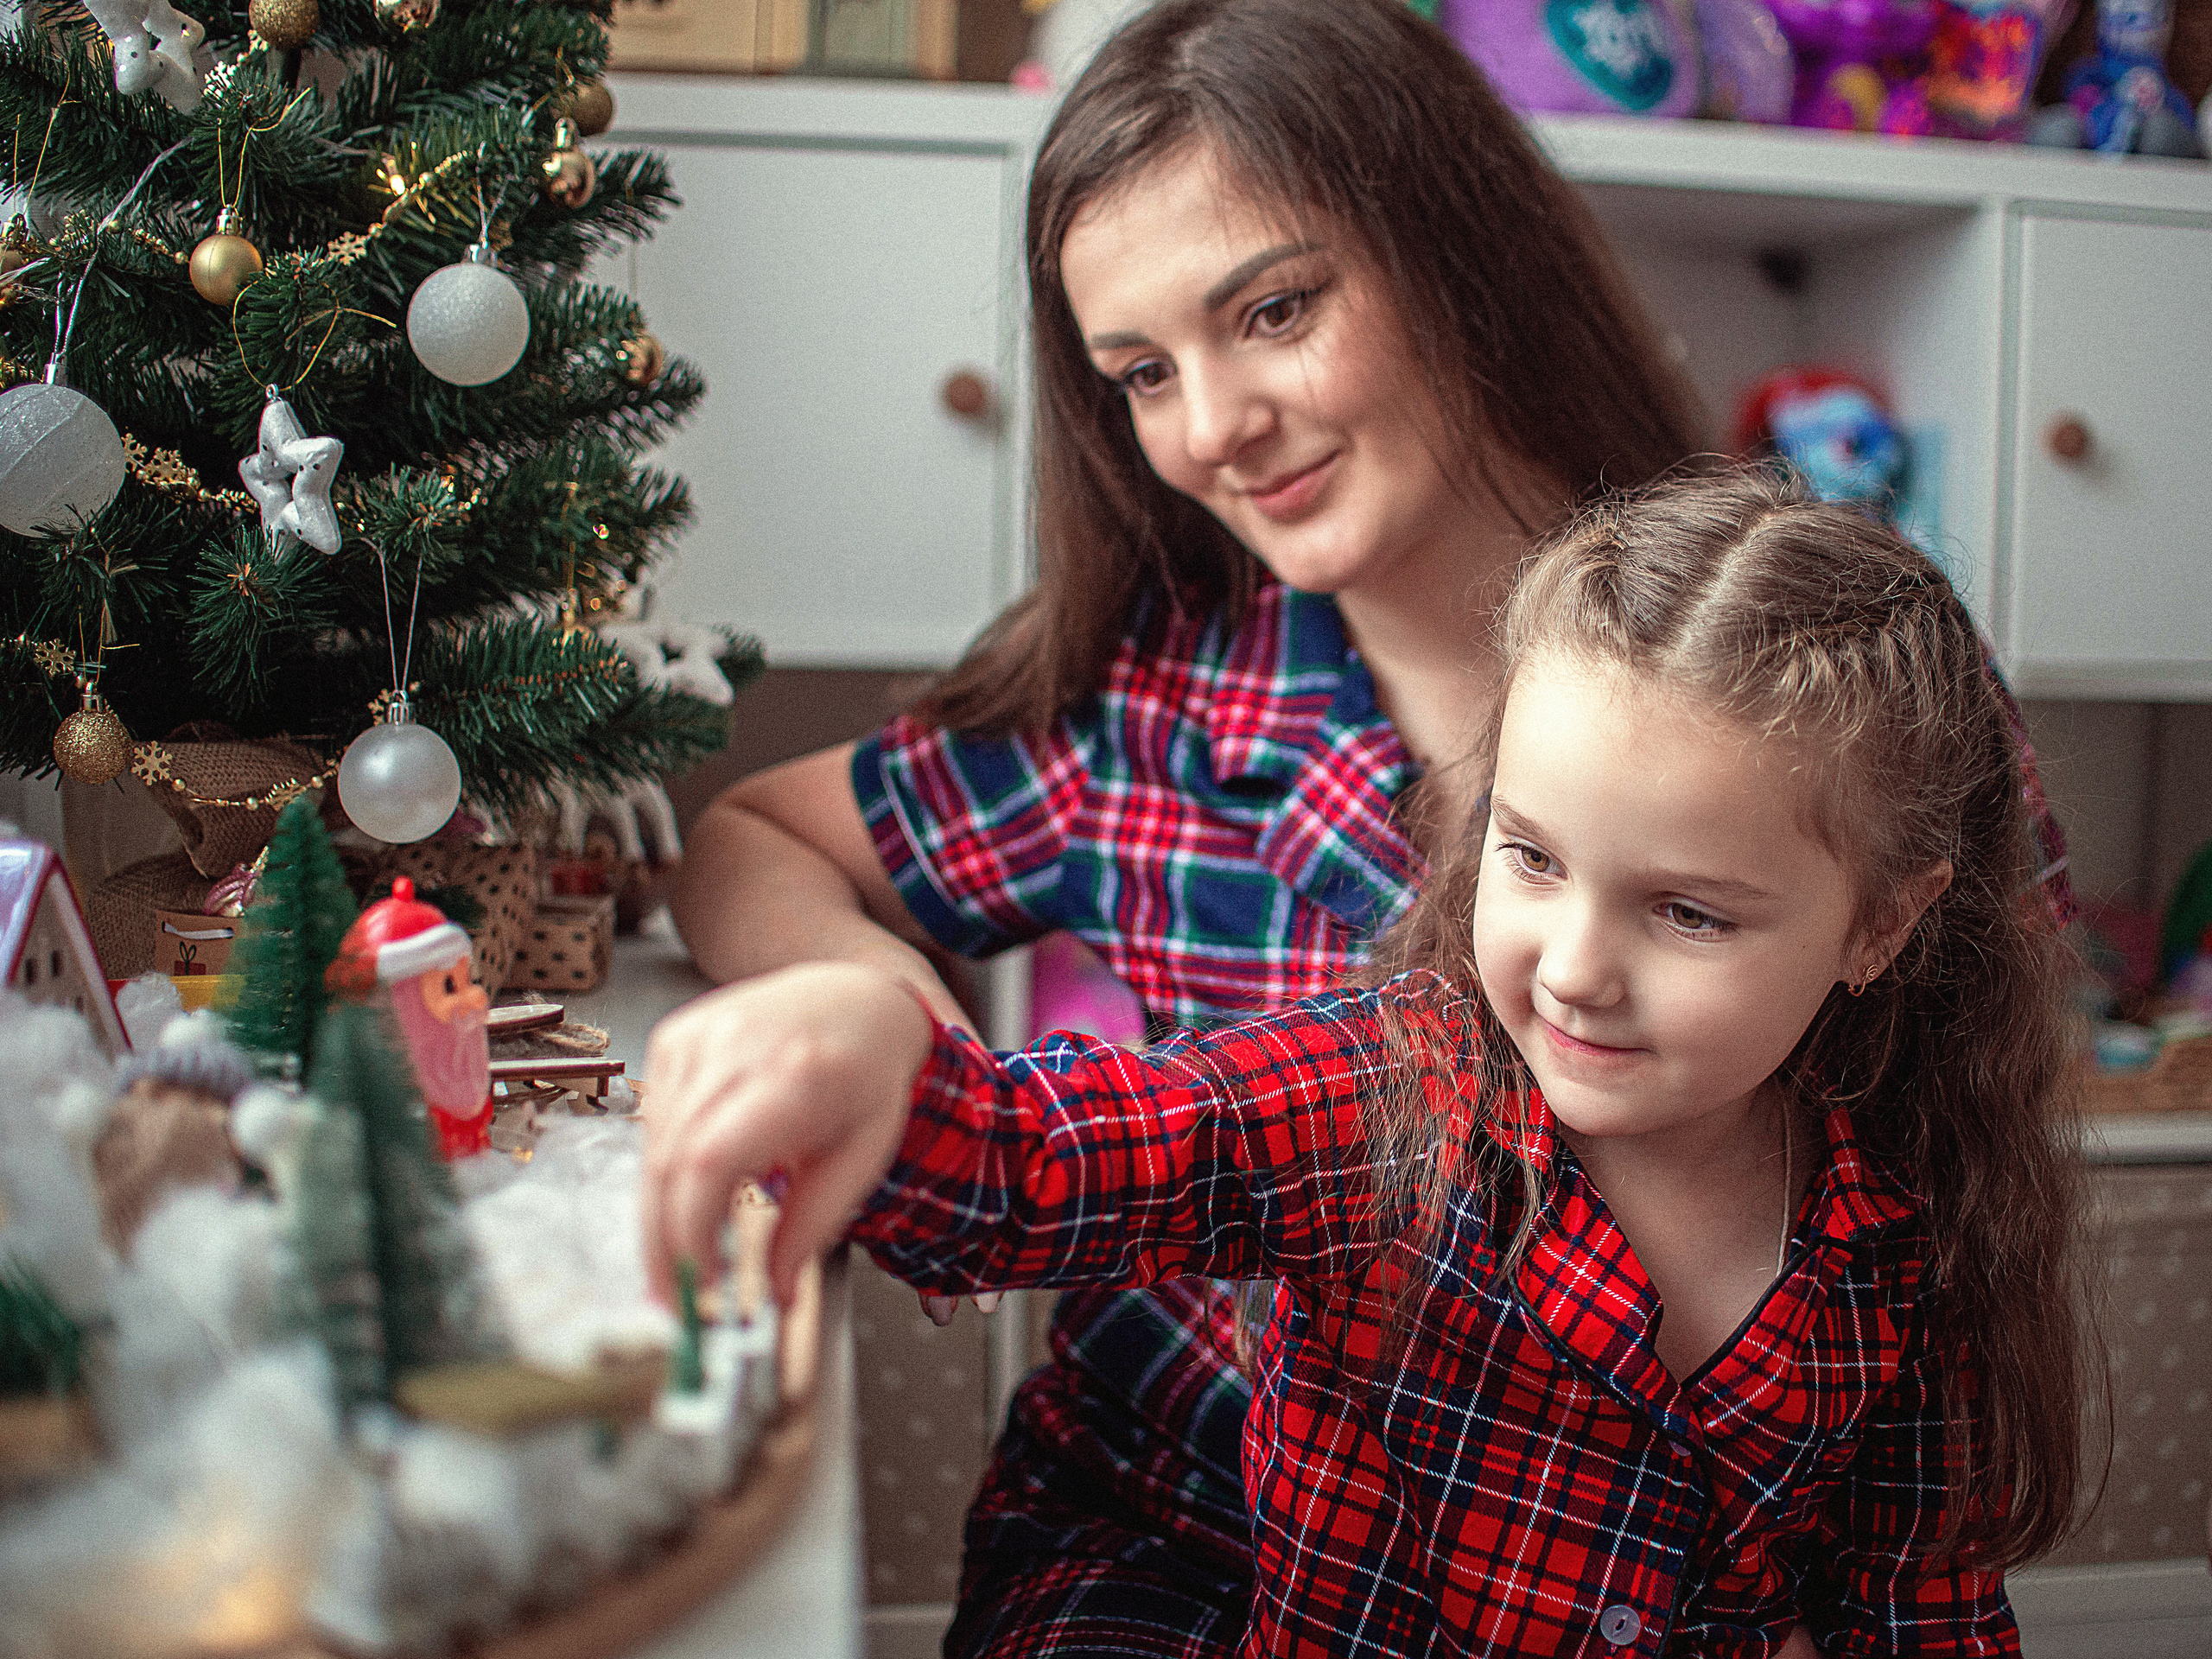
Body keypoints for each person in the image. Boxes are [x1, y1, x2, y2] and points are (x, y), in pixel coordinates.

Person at [658, 0, 2071, 1650]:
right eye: (1142, 373)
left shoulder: (1828, 670)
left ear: (1452, 249)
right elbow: (756, 851)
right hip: (1182, 1532)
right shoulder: (1151, 711)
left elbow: (1945, 1187)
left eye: (1274, 310)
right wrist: (890, 1037)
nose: (1210, 429)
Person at [645, 470, 2094, 1656]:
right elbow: (1062, 1151)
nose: (1574, 968)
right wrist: (880, 1047)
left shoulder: (1905, 1229)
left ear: (1881, 924)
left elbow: (1926, 1606)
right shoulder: (1383, 1093)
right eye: (1533, 858)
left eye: (1688, 913)